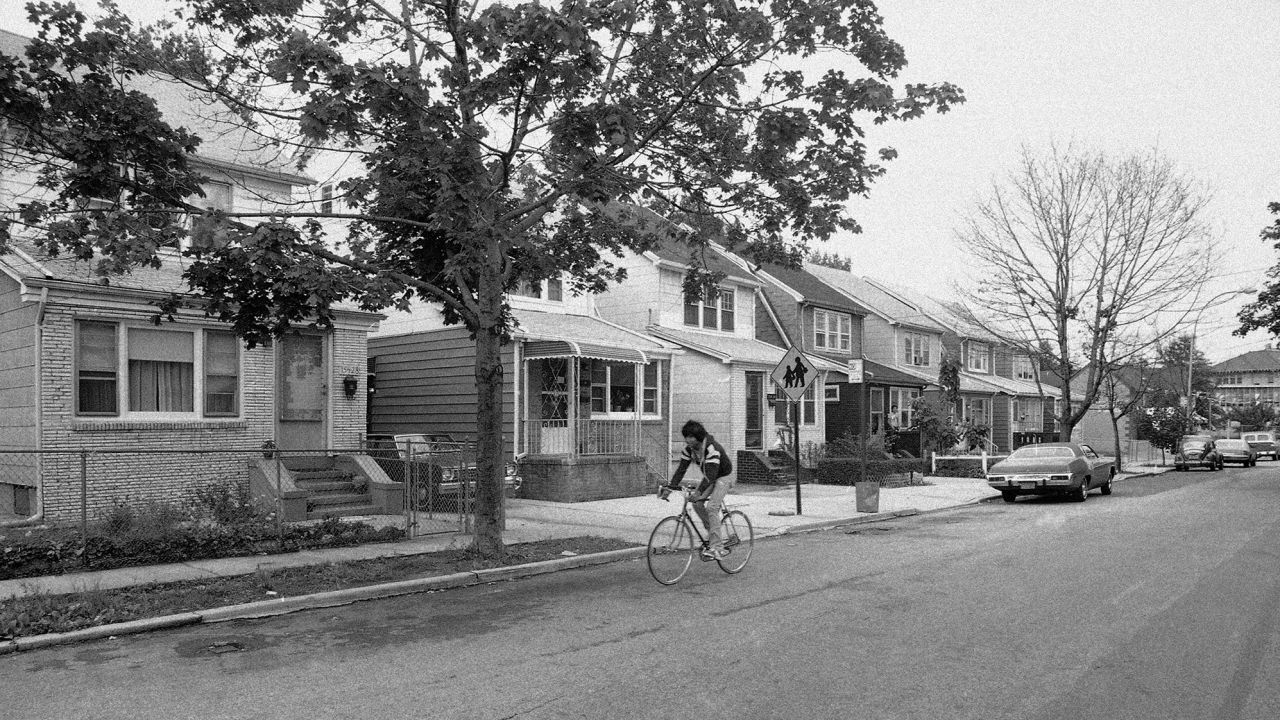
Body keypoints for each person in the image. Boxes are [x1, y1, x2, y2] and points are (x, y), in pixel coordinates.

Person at [667, 420, 735, 560]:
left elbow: (711, 475)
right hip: (710, 476)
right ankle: (713, 534)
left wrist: (698, 492)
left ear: (699, 437)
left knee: (711, 507)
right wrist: (671, 487)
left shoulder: (711, 448)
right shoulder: (688, 450)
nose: (688, 440)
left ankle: (717, 548)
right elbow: (681, 469)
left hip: (724, 476)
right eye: (686, 436)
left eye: (691, 437)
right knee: (697, 504)